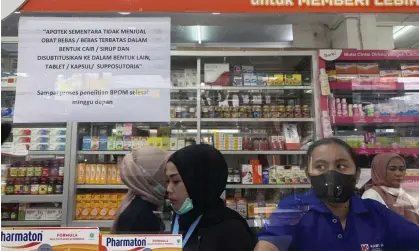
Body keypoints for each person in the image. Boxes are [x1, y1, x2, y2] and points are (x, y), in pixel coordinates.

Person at [254, 138, 419, 251]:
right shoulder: (294, 209)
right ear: (308, 174)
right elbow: (268, 245)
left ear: (357, 173)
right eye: (320, 167)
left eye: (341, 166)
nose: (331, 174)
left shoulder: (375, 212)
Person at [166, 144, 257, 251]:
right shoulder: (181, 217)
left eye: (176, 181)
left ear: (199, 182)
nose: (168, 189)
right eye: (167, 181)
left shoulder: (232, 230)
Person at [111, 146, 171, 234]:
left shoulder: (140, 202)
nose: (166, 176)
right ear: (149, 179)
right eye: (162, 171)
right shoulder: (141, 215)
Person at [362, 153, 419, 225]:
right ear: (379, 170)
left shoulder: (408, 198)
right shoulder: (370, 197)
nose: (398, 174)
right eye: (392, 169)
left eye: (401, 169)